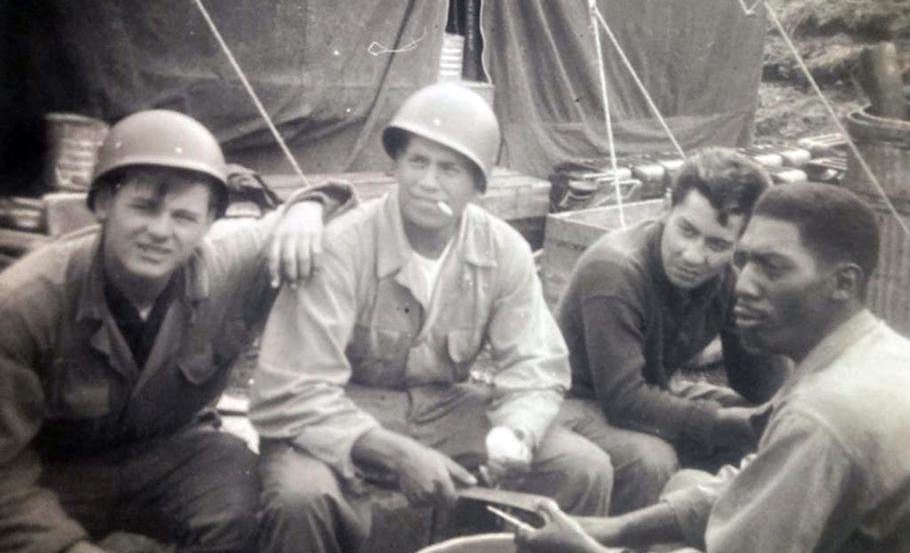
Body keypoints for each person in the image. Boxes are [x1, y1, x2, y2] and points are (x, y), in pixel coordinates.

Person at [249, 82, 614, 553]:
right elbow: (294, 389)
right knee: (300, 498)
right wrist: (397, 453)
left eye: (450, 169)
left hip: (444, 407)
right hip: (340, 408)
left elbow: (535, 363)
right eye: (417, 161)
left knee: (582, 468)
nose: (428, 182)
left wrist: (516, 430)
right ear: (396, 166)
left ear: (478, 185)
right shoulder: (342, 246)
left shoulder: (504, 250)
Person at [0, 109, 354, 553]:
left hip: (170, 456)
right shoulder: (25, 303)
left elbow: (351, 214)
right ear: (104, 204)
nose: (160, 231)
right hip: (55, 474)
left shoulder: (226, 267)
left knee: (246, 489)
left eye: (184, 217)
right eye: (144, 207)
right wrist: (66, 548)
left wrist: (308, 207)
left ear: (209, 224)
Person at [516, 182, 910, 552]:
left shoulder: (819, 416)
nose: (743, 285)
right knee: (685, 481)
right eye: (746, 262)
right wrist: (613, 529)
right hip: (580, 404)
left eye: (772, 268)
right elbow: (752, 483)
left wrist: (594, 549)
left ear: (843, 284)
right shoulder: (878, 351)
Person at [554, 148, 791, 513]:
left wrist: (756, 303)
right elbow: (624, 401)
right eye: (687, 231)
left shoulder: (726, 279)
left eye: (717, 244)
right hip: (567, 401)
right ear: (667, 206)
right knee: (652, 459)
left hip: (652, 389)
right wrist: (730, 423)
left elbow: (759, 387)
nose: (695, 256)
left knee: (775, 429)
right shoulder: (616, 270)